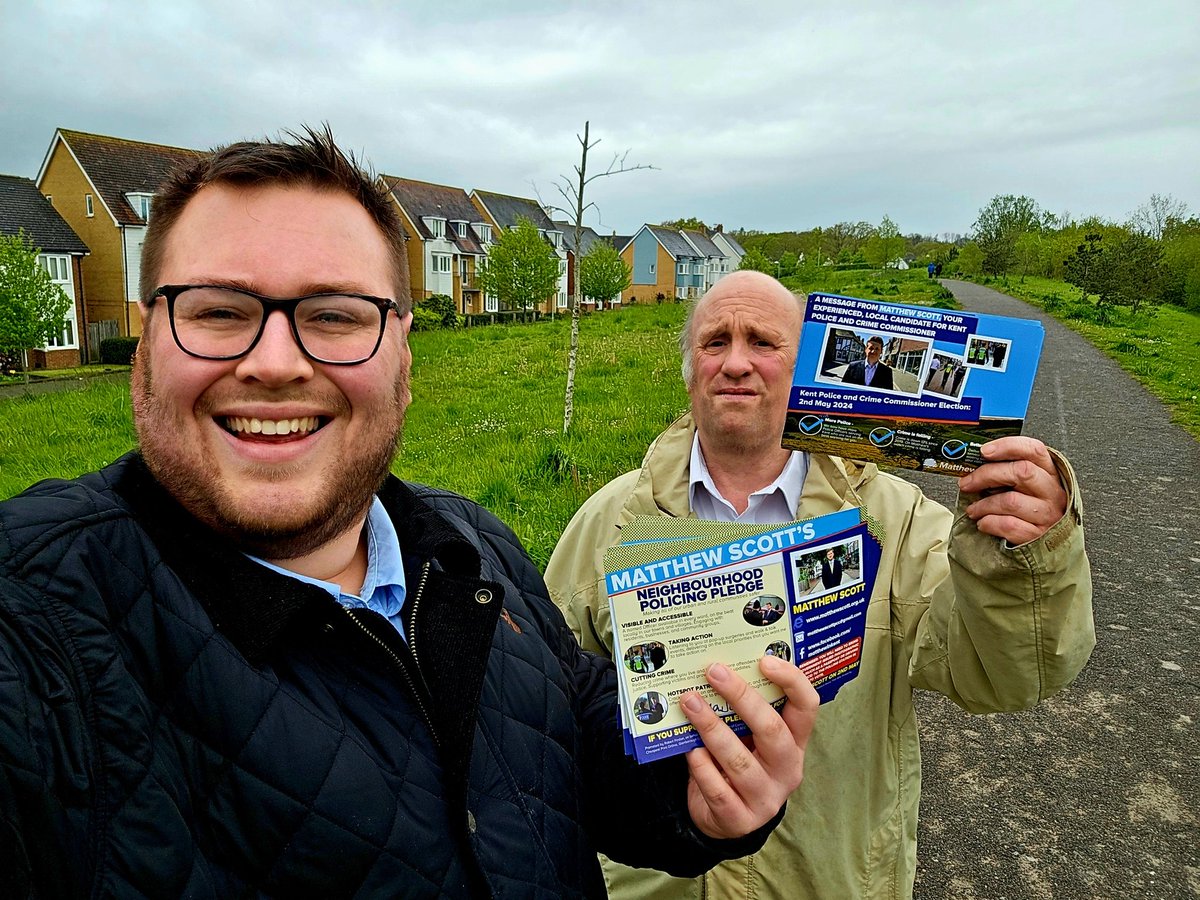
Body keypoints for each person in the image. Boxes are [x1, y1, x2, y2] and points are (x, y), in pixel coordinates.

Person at [0, 130, 819, 898]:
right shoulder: (38, 623)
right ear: (147, 344)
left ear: (403, 355)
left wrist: (692, 792)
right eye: (219, 311)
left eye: (335, 316)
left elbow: (576, 742)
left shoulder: (471, 544)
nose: (275, 363)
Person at [544, 270, 1094, 899]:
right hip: (656, 884)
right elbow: (548, 709)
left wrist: (1023, 552)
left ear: (805, 364)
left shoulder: (895, 521)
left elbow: (1005, 675)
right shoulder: (607, 523)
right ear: (689, 368)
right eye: (715, 341)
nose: (737, 363)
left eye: (764, 343)